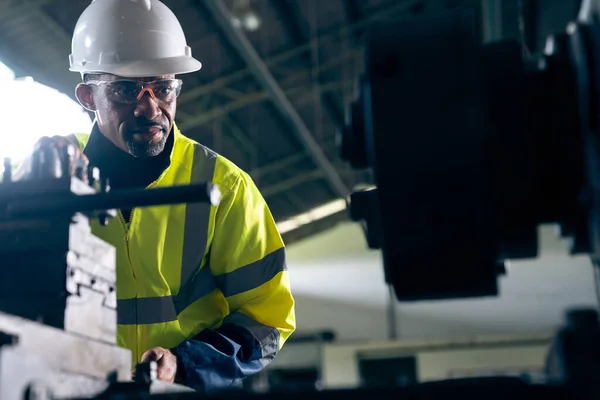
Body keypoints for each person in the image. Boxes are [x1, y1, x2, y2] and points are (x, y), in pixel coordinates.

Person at [41, 0, 296, 392]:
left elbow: (269, 319)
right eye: (126, 90)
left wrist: (184, 364)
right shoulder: (52, 175)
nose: (150, 107)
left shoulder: (224, 187)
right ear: (88, 97)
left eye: (163, 88)